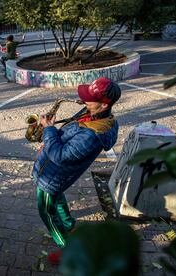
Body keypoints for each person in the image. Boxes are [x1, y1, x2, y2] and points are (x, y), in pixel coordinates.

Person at [32, 77, 121, 265]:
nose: (84, 100)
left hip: (52, 177)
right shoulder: (95, 113)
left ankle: (68, 249)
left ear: (104, 105)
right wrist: (53, 129)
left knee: (46, 212)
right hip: (56, 177)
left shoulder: (92, 135)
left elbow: (61, 156)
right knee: (57, 198)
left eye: (89, 99)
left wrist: (49, 130)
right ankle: (70, 225)